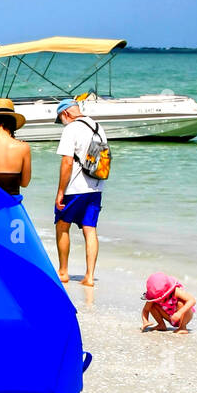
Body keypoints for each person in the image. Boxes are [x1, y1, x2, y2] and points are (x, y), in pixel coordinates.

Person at [53, 98, 107, 287]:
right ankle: (90, 276)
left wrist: (60, 191)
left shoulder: (71, 129)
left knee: (62, 225)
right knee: (90, 229)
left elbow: (67, 162)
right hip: (97, 187)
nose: (62, 123)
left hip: (75, 188)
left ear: (65, 113)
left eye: (61, 119)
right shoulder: (98, 127)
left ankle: (63, 271)